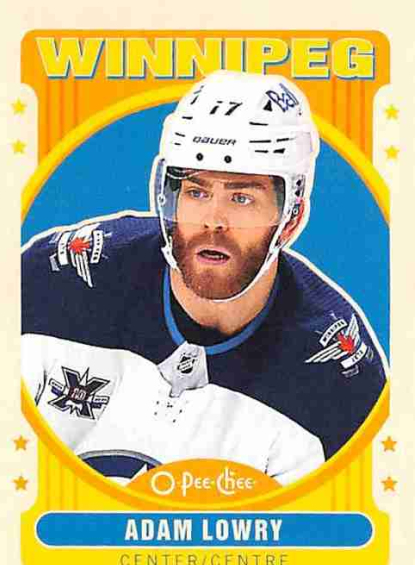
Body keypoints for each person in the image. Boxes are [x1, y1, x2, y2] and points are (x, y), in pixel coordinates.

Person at [22, 70, 387, 486]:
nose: (214, 221)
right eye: (196, 192)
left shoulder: (337, 375)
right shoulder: (56, 279)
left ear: (291, 218)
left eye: (242, 198)